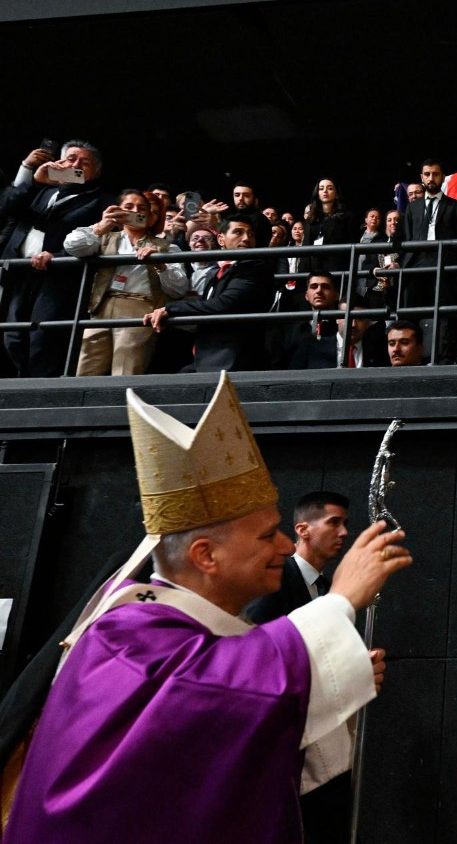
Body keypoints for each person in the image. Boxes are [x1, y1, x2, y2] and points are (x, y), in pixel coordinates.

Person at [4, 372, 411, 842]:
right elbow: (213, 692)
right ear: (205, 556)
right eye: (267, 535)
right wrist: (339, 602)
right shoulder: (125, 636)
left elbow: (218, 734)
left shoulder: (172, 633)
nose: (284, 546)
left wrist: (329, 672)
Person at [244, 491, 354, 844]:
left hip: (320, 733)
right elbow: (259, 649)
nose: (343, 532)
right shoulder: (276, 580)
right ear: (303, 529)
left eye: (345, 524)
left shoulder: (326, 589)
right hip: (283, 737)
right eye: (334, 522)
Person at [0, 140, 111, 377]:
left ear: (95, 172)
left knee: (43, 337)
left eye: (85, 162)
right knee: (13, 336)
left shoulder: (101, 201)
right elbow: (6, 207)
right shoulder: (40, 189)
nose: (76, 164)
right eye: (71, 159)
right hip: (19, 274)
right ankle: (22, 385)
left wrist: (59, 256)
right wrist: (34, 178)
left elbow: (100, 242)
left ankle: (40, 389)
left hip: (58, 278)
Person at [65, 189, 190, 375]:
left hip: (138, 306)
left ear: (150, 216)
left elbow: (179, 289)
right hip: (100, 307)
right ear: (117, 210)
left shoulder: (166, 247)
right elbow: (72, 246)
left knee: (125, 370)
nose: (135, 211)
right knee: (85, 369)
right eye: (128, 207)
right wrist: (101, 226)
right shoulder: (104, 237)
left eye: (142, 208)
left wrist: (160, 264)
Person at [143, 213, 276, 371]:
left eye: (251, 234)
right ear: (221, 240)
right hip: (210, 356)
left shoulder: (254, 267)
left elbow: (224, 304)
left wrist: (171, 309)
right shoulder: (219, 273)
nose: (246, 238)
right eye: (238, 232)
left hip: (234, 359)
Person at [400, 160, 457, 364]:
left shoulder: (455, 206)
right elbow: (407, 238)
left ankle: (444, 359)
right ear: (421, 177)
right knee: (410, 314)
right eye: (427, 174)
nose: (431, 178)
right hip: (416, 264)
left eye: (435, 174)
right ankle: (410, 358)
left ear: (442, 177)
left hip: (443, 264)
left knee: (443, 314)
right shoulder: (412, 207)